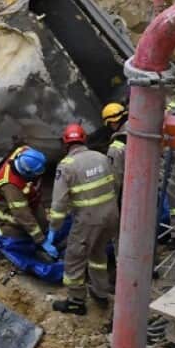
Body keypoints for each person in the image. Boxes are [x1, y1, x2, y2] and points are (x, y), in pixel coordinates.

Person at [49, 123, 120, 316]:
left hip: (89, 220)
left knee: (74, 258)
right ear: (84, 139)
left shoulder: (66, 166)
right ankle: (100, 292)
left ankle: (75, 301)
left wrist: (53, 229)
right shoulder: (102, 157)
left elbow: (58, 204)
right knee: (98, 254)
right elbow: (116, 182)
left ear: (66, 143)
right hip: (112, 215)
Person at [0, 145, 51, 250]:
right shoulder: (11, 187)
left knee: (42, 224)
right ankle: (2, 231)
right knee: (23, 227)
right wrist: (40, 240)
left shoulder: (22, 152)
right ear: (27, 173)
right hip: (1, 207)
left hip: (21, 199)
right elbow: (22, 214)